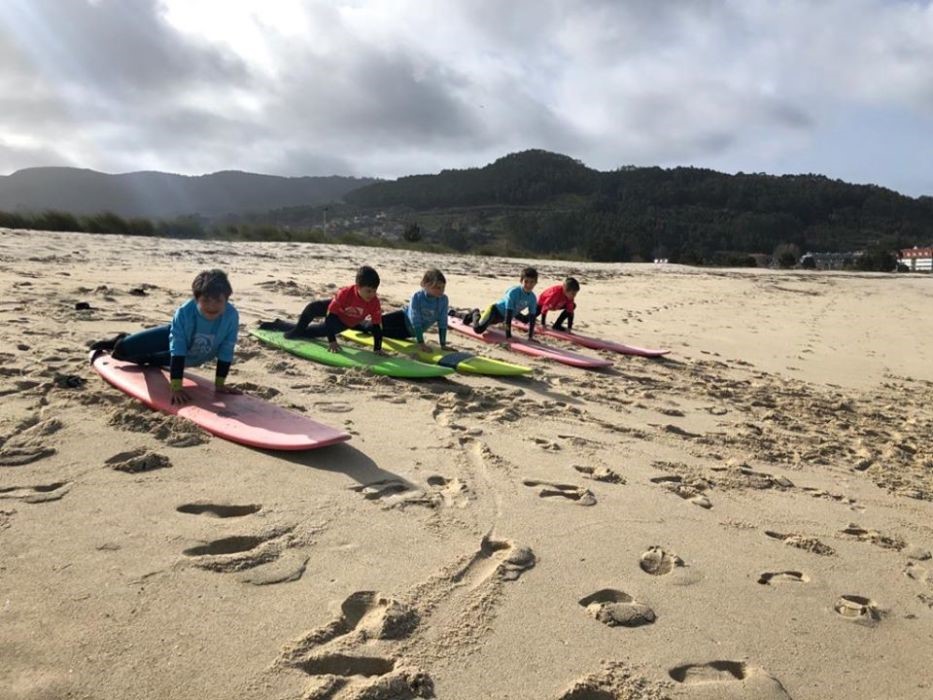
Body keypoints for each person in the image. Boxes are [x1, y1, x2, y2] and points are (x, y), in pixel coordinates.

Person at [91, 269, 241, 405]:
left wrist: (220, 384)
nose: (212, 306)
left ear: (227, 299)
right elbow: (178, 348)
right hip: (171, 338)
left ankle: (143, 354)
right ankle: (122, 339)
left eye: (218, 301)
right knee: (120, 352)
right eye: (206, 300)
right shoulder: (184, 313)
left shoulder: (231, 316)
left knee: (146, 362)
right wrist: (176, 387)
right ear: (196, 299)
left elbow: (226, 350)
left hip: (194, 356)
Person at [280, 265, 385, 354]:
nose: (372, 295)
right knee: (312, 307)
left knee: (310, 332)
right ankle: (296, 330)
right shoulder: (345, 293)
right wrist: (332, 340)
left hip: (343, 322)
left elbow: (377, 326)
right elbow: (330, 316)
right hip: (335, 315)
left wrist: (378, 348)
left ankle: (280, 324)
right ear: (357, 286)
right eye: (369, 291)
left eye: (374, 291)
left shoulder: (374, 302)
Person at [378, 268, 449, 351]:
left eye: (443, 287)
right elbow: (415, 319)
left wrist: (443, 344)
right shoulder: (417, 296)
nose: (441, 291)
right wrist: (421, 342)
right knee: (375, 324)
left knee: (381, 332)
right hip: (402, 318)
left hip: (409, 332)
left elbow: (443, 322)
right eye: (437, 287)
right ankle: (359, 325)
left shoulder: (443, 300)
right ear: (425, 284)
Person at [460, 266, 538, 340]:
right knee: (478, 329)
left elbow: (532, 318)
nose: (528, 285)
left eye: (532, 282)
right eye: (526, 281)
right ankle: (475, 312)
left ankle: (476, 316)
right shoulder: (513, 292)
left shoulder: (532, 298)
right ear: (521, 281)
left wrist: (530, 337)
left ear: (535, 283)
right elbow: (508, 315)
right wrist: (508, 336)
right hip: (494, 311)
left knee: (486, 323)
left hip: (502, 317)